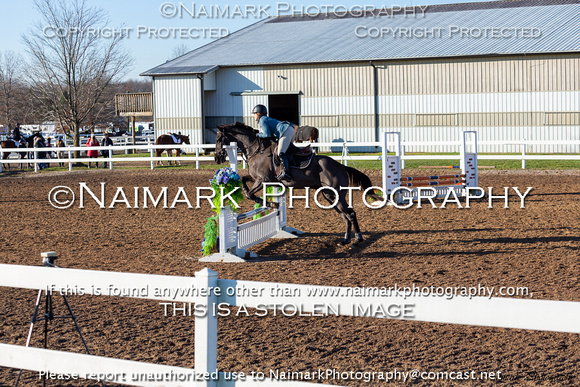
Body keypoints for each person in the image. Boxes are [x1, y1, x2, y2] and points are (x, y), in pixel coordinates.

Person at [251, 104, 297, 182]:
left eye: (254, 114)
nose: (254, 116)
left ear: (258, 113)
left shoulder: (262, 120)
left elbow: (266, 134)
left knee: (280, 153)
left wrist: (258, 134)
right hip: (290, 130)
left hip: (285, 131)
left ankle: (287, 174)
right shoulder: (265, 118)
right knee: (286, 151)